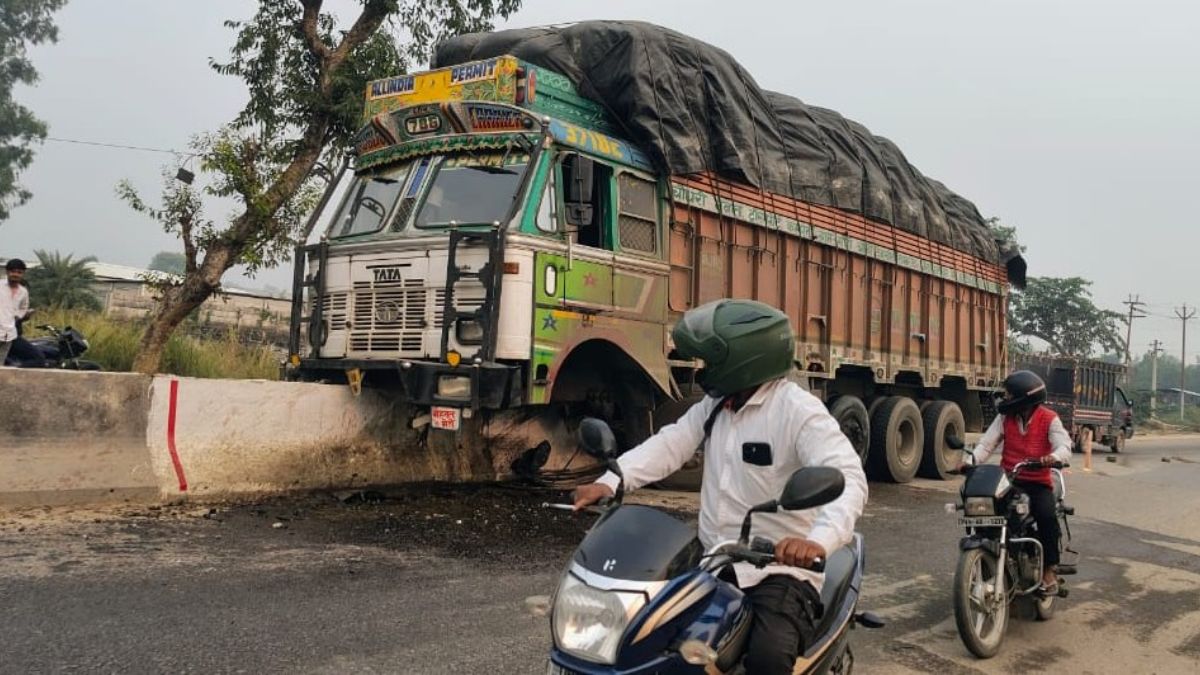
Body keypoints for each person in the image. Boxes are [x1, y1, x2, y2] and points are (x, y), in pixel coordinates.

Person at [573, 298, 868, 674]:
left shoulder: (798, 411)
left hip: (777, 571)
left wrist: (816, 541)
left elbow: (848, 476)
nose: (703, 370)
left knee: (768, 658)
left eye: (710, 362)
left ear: (743, 360)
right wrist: (611, 480)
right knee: (652, 640)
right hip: (714, 562)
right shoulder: (716, 406)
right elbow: (672, 442)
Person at [965, 370, 1071, 594]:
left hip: (1037, 482)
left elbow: (1064, 446)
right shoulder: (1005, 418)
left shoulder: (1049, 418)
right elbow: (986, 445)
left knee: (1046, 516)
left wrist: (1054, 457)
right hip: (1009, 480)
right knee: (987, 511)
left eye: (1010, 396)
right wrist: (969, 461)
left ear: (1025, 397)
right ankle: (992, 556)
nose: (1006, 400)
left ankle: (1049, 573)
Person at [1, 258, 32, 365]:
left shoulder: (23, 291)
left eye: (19, 272)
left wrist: (18, 316)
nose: (16, 274)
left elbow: (24, 307)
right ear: (7, 272)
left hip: (9, 334)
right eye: (13, 271)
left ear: (23, 274)